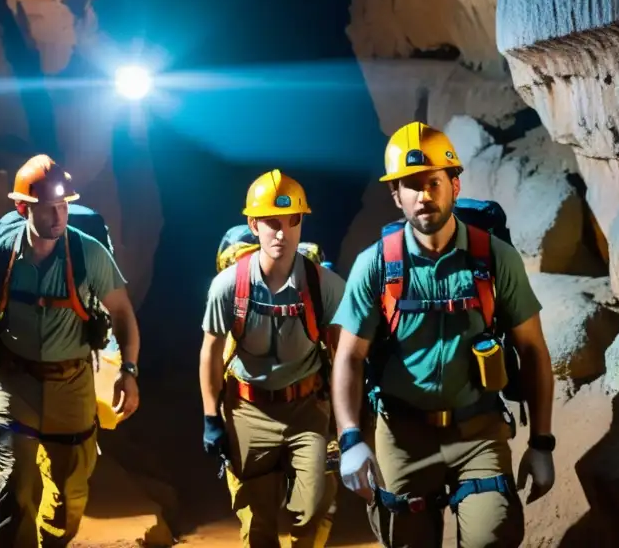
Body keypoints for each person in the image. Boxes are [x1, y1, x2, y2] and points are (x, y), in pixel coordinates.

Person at [330, 122, 556, 547]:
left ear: (454, 183)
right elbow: (349, 357)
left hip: (479, 432)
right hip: (402, 436)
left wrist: (542, 441)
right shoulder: (376, 266)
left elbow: (533, 349)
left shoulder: (494, 259)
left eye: (433, 182)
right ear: (396, 196)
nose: (424, 196)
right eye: (410, 186)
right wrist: (351, 439)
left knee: (492, 537)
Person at [0, 154, 141, 547]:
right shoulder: (0, 257)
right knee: (15, 486)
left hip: (71, 386)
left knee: (68, 493)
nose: (59, 216)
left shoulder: (89, 253)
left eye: (63, 206)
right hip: (13, 383)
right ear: (23, 208)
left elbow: (123, 314)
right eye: (48, 208)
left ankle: (53, 541)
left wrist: (129, 370)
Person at [199, 169, 347, 547]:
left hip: (307, 408)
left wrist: (347, 423)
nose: (282, 232)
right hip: (248, 408)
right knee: (257, 518)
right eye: (271, 222)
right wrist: (211, 418)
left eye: (292, 221)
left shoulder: (326, 287)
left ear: (302, 222)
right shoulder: (229, 286)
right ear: (254, 224)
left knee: (313, 505)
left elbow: (346, 356)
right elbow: (211, 353)